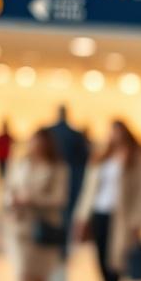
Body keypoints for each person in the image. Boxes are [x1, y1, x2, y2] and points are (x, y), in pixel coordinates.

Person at [73, 120, 141, 281]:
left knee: (114, 263)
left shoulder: (137, 158)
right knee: (99, 261)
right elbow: (88, 189)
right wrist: (81, 217)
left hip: (121, 220)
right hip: (99, 214)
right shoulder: (101, 157)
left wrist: (137, 221)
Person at [4, 129, 69, 281]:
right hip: (20, 226)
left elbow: (60, 198)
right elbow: (6, 188)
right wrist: (10, 201)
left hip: (44, 228)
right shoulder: (19, 163)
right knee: (23, 274)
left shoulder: (57, 168)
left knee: (40, 276)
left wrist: (32, 198)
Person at [45, 105, 90, 254]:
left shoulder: (50, 132)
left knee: (54, 214)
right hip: (70, 181)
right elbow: (83, 160)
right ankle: (61, 246)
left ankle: (54, 245)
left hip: (54, 181)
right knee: (65, 215)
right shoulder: (74, 135)